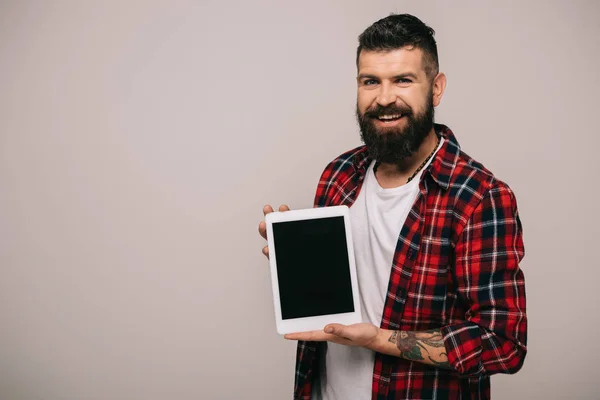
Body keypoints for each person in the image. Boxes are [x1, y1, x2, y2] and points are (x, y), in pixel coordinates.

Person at [258, 14, 526, 400]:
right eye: (371, 81)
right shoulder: (337, 176)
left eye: (403, 80)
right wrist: (295, 264)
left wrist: (381, 340)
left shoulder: (478, 196)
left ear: (436, 89)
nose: (384, 98)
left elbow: (503, 342)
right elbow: (337, 295)